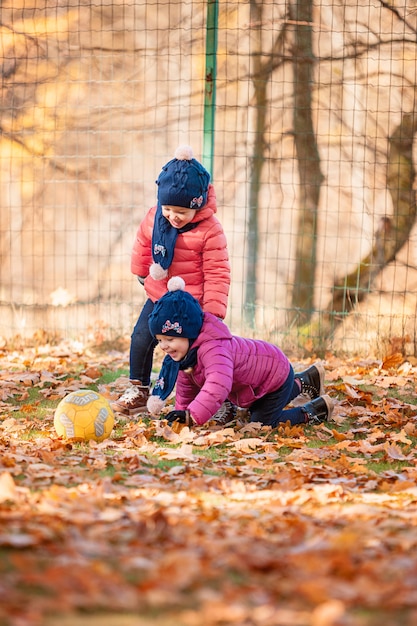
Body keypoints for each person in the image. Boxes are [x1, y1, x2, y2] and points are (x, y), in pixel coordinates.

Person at [113, 145, 231, 416]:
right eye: (168, 208)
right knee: (142, 337)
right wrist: (141, 272)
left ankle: (212, 397)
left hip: (194, 305)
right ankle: (139, 389)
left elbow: (218, 270)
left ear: (197, 205)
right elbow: (143, 244)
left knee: (198, 355)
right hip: (159, 296)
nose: (173, 217)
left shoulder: (210, 230)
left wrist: (213, 310)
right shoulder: (155, 218)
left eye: (181, 211)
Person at [146, 277, 334, 428]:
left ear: (189, 333)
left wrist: (192, 415)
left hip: (274, 373)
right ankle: (308, 380)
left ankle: (314, 411)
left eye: (170, 339)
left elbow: (218, 384)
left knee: (261, 424)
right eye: (160, 340)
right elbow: (187, 388)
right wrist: (182, 416)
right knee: (262, 406)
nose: (163, 346)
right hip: (263, 379)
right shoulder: (186, 356)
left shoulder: (213, 349)